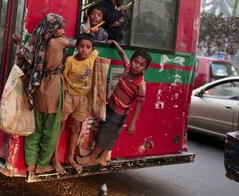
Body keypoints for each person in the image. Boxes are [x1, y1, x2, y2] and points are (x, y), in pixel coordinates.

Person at [16, 13, 75, 174]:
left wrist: (19, 41)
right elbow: (80, 43)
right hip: (53, 89)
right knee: (51, 130)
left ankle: (31, 163)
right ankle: (42, 165)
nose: (63, 31)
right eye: (60, 28)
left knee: (36, 128)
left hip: (38, 88)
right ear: (51, 29)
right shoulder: (59, 43)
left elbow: (24, 53)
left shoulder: (37, 42)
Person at [77, 40, 151, 166]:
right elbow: (123, 55)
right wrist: (115, 43)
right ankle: (102, 158)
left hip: (119, 114)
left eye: (141, 65)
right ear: (132, 60)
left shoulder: (140, 85)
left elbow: (139, 106)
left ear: (145, 68)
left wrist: (132, 124)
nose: (136, 66)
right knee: (110, 136)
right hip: (111, 107)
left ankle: (92, 157)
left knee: (104, 135)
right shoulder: (127, 69)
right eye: (135, 62)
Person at [53, 33, 99, 174]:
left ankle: (70, 158)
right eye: (81, 46)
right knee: (59, 127)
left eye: (88, 47)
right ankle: (54, 159)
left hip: (83, 99)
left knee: (76, 128)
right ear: (76, 47)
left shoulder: (93, 56)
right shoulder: (70, 61)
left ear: (92, 49)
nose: (84, 50)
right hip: (69, 97)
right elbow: (63, 78)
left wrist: (111, 41)